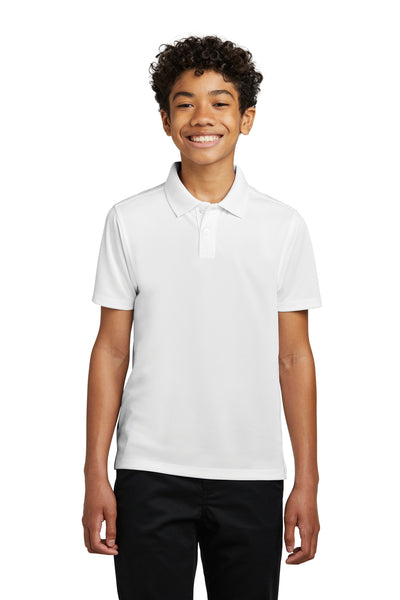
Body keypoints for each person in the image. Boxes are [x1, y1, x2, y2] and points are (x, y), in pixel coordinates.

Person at [82, 35, 322, 600]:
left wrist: (307, 478)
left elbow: (294, 357)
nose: (203, 117)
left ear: (247, 119)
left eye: (220, 102)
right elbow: (111, 350)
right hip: (148, 470)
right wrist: (95, 472)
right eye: (185, 103)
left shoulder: (283, 226)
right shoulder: (128, 219)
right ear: (166, 121)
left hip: (252, 472)